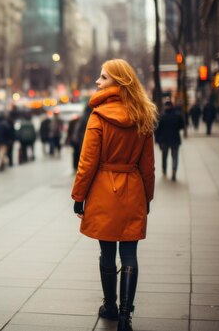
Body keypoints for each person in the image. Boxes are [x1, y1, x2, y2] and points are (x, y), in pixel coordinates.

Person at [71, 59, 157, 331]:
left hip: (103, 191)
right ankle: (125, 317)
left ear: (118, 82)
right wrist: (147, 199)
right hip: (133, 189)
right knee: (130, 253)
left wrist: (78, 196)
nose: (98, 82)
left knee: (107, 252)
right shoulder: (142, 114)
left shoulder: (98, 116)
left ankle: (109, 305)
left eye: (103, 77)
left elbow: (87, 162)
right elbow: (148, 166)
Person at [155, 101, 184, 181]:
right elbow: (181, 126)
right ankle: (174, 170)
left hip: (164, 140)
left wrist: (157, 141)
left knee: (164, 156)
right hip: (175, 139)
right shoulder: (177, 115)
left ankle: (164, 170)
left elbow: (158, 130)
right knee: (175, 156)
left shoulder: (162, 117)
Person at [70, 106, 92, 172]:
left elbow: (77, 131)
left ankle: (76, 167)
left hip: (79, 140)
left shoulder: (82, 118)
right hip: (83, 140)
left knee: (78, 155)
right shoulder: (90, 118)